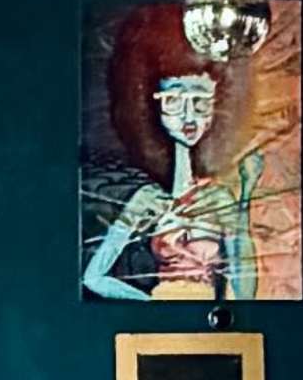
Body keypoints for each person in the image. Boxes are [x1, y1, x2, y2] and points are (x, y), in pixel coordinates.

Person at [83, 51, 266, 303]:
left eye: (200, 101)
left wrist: (245, 195)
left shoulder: (219, 198)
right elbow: (93, 278)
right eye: (173, 101)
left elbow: (246, 293)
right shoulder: (145, 199)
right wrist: (151, 305)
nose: (188, 116)